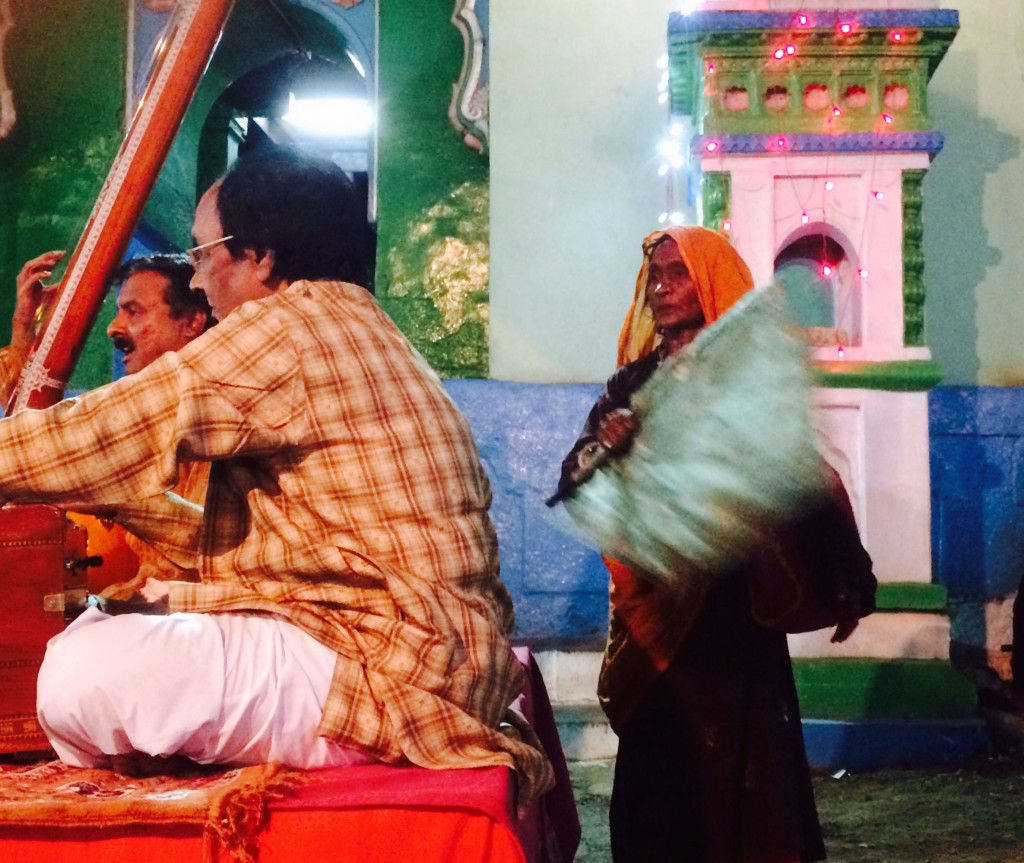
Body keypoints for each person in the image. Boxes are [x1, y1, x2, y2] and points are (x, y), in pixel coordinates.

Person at [0, 147, 552, 804]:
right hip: (424, 653)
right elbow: (237, 537)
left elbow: (113, 431)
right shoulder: (349, 323)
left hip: (395, 670)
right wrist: (117, 499)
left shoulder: (292, 326)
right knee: (105, 631)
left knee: (80, 671)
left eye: (204, 255)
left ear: (259, 255)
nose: (198, 281)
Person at [551, 226, 868, 862]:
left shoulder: (745, 386)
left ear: (713, 280)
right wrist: (606, 449)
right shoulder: (633, 386)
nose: (660, 289)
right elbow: (574, 479)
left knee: (748, 790)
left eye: (677, 273)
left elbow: (796, 476)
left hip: (734, 619)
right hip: (658, 623)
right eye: (655, 277)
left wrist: (843, 579)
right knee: (660, 786)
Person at [0, 251, 215, 591]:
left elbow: (213, 549)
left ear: (192, 321)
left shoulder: (219, 408)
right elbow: (38, 426)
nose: (112, 328)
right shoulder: (137, 404)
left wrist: (119, 498)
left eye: (133, 311)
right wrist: (24, 331)